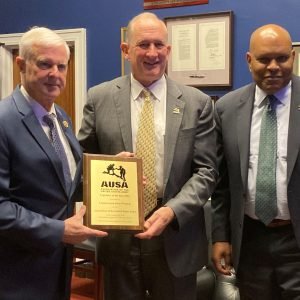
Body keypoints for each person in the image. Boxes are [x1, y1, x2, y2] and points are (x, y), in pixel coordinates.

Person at [78, 12, 217, 300]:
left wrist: (171, 211)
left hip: (176, 237)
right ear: (126, 49)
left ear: (168, 50)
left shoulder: (197, 103)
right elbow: (81, 162)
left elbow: (207, 172)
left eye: (158, 45)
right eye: (143, 45)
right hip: (118, 239)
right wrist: (107, 169)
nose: (152, 53)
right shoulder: (98, 98)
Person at [0, 27, 107, 300]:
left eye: (62, 66)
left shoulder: (59, 116)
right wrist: (58, 230)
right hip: (16, 272)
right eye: (45, 64)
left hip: (58, 266)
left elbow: (67, 181)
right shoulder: (4, 121)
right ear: (21, 64)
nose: (55, 74)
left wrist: (109, 171)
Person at [211, 24, 300, 299]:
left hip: (295, 239)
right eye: (264, 59)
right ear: (249, 60)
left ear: (293, 58)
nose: (273, 66)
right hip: (249, 240)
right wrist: (220, 236)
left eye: (282, 58)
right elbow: (221, 183)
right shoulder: (227, 109)